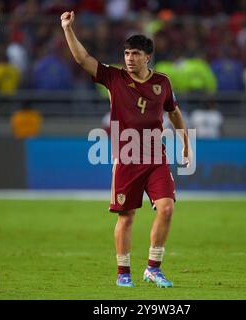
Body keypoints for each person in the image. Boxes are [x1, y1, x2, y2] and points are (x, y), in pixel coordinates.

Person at [60, 11, 191, 288]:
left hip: (157, 156)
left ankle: (153, 268)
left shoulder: (162, 83)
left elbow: (175, 113)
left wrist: (186, 143)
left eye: (135, 54)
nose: (129, 58)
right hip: (127, 157)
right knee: (127, 215)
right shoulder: (114, 78)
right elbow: (82, 59)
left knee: (166, 209)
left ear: (147, 57)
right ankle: (123, 274)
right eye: (127, 53)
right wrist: (68, 28)